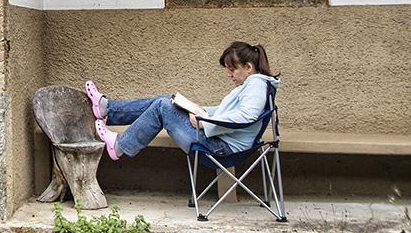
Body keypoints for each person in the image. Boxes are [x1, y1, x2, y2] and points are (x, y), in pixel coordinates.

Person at [84, 42, 279, 161]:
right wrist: (195, 109)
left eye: (232, 69)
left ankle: (120, 145)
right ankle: (107, 109)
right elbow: (226, 111)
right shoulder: (254, 85)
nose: (229, 74)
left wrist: (204, 122)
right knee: (166, 101)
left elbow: (246, 117)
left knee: (162, 106)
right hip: (219, 142)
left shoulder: (256, 85)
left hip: (221, 149)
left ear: (248, 67)